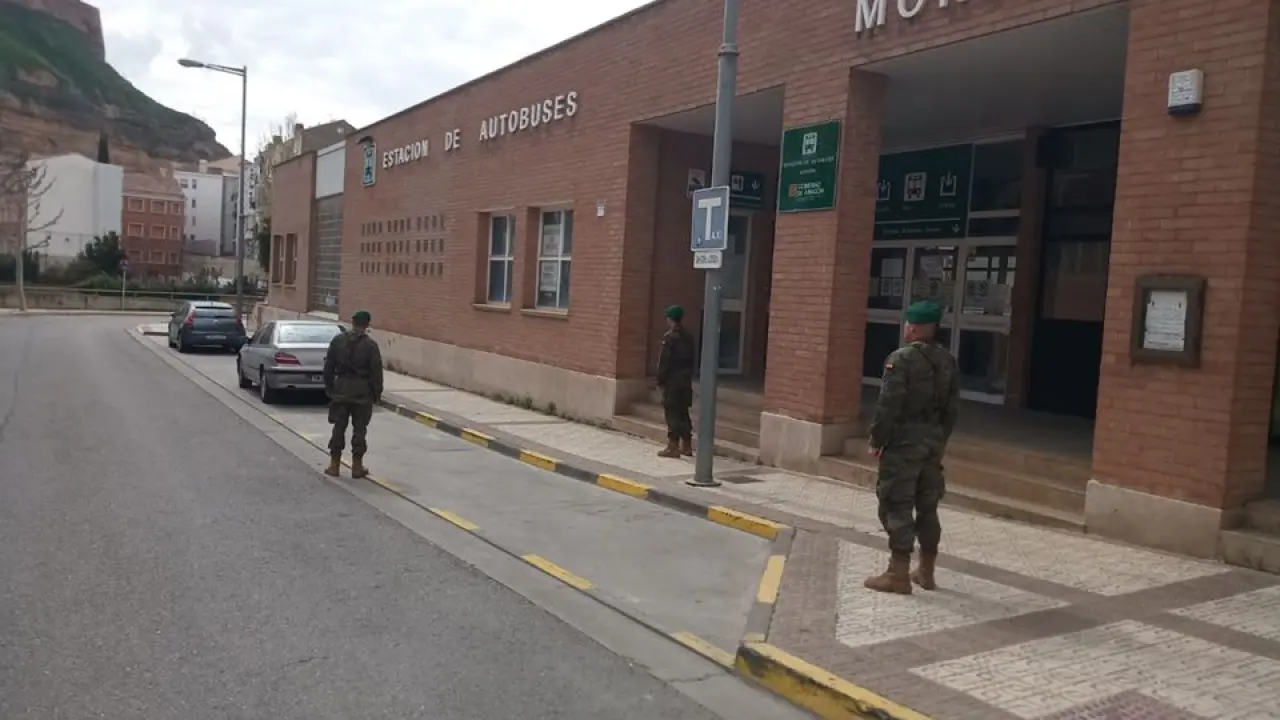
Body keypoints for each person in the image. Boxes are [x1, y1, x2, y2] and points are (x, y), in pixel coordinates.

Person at [864, 300, 959, 595]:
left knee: (896, 504)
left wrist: (877, 440)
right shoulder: (947, 359)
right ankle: (926, 572)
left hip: (904, 444)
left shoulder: (901, 359)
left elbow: (888, 405)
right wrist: (939, 441)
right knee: (928, 506)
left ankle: (899, 573)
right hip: (932, 443)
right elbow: (952, 408)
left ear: (914, 327)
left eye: (908, 323)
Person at [323, 310, 384, 479]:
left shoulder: (338, 340)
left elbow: (328, 367)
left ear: (353, 322)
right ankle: (357, 466)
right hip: (362, 391)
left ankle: (334, 465)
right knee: (360, 429)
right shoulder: (371, 345)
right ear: (367, 324)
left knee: (339, 427)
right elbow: (376, 372)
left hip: (341, 388)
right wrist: (376, 394)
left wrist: (330, 387)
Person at [656, 304, 696, 458]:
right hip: (685, 381)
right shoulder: (689, 337)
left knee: (672, 413)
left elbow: (664, 362)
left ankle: (673, 446)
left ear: (670, 319)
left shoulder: (670, 338)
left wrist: (660, 381)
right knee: (683, 412)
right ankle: (687, 445)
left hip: (672, 381)